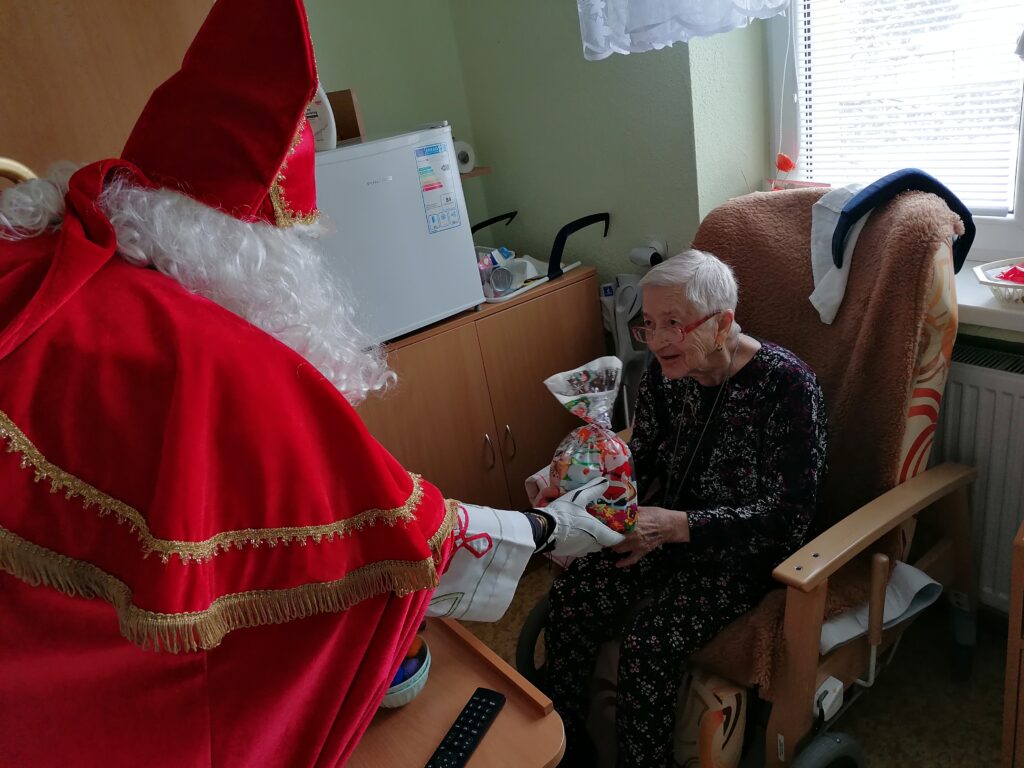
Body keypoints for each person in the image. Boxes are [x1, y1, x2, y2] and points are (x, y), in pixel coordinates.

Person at [0, 1, 621, 765]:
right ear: (245, 245)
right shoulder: (207, 354)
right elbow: (385, 532)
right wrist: (547, 530)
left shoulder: (51, 255)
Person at [543, 249, 828, 767]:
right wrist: (577, 487)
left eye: (673, 324)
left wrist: (679, 526)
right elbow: (643, 459)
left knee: (649, 644)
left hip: (740, 556)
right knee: (572, 596)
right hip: (659, 531)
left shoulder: (788, 386)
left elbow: (789, 516)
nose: (656, 342)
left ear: (721, 323)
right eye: (648, 325)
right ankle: (565, 745)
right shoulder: (665, 374)